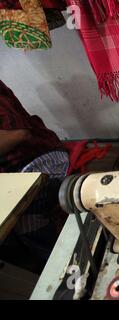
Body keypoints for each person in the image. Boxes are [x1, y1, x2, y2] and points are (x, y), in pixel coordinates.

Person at [0, 80, 69, 272]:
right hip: (9, 172)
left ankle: (63, 271)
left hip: (37, 156)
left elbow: (17, 134)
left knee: (26, 215)